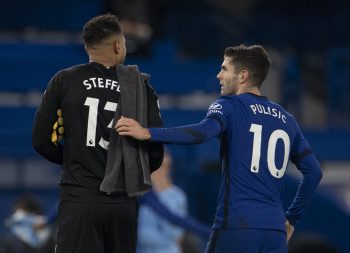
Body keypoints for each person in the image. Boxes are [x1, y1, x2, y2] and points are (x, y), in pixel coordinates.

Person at [116, 44, 323, 253]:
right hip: (274, 232)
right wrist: (292, 218)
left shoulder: (230, 105)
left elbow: (202, 133)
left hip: (237, 225)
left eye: (224, 69)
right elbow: (313, 173)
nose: (218, 75)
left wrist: (149, 133)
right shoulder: (287, 119)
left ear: (242, 76)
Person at [32, 14, 164, 253]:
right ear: (117, 45)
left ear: (87, 47)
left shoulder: (64, 80)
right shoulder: (140, 86)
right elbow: (155, 152)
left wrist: (74, 159)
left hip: (79, 200)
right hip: (122, 205)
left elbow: (41, 141)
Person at [137, 150, 188, 253]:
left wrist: (161, 190)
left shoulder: (177, 195)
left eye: (165, 166)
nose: (160, 171)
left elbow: (175, 234)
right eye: (157, 166)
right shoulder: (138, 193)